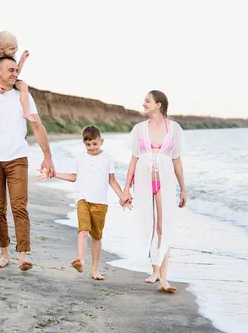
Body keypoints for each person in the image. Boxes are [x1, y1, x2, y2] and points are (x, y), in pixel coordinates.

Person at [0, 56, 55, 270]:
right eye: (10, 70)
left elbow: (37, 126)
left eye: (17, 70)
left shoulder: (23, 96)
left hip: (17, 158)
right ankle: (4, 254)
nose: (15, 74)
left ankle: (22, 255)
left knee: (19, 207)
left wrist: (48, 156)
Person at [39, 126, 128, 280]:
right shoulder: (79, 158)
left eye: (95, 144)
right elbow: (73, 177)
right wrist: (54, 174)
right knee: (83, 230)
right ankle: (79, 260)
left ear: (101, 141)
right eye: (88, 144)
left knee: (97, 236)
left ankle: (95, 269)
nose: (91, 148)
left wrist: (122, 196)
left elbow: (111, 181)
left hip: (100, 202)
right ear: (84, 144)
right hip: (82, 199)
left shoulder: (108, 159)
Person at [122, 90, 187, 293]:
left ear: (159, 104)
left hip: (165, 181)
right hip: (142, 180)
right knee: (148, 225)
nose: (144, 103)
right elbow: (134, 159)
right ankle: (155, 270)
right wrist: (125, 189)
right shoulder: (139, 129)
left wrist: (183, 188)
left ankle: (164, 279)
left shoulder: (174, 129)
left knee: (163, 228)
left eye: (147, 101)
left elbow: (176, 160)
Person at [0, 30, 34, 130]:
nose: (16, 50)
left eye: (16, 47)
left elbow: (15, 73)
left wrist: (21, 61)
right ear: (2, 49)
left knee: (23, 86)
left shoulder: (13, 56)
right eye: (12, 48)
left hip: (7, 79)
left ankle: (26, 112)